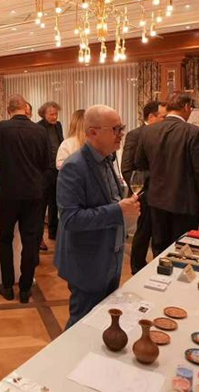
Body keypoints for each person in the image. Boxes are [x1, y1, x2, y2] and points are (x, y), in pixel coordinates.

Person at [57, 106, 139, 328]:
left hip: (110, 256)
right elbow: (71, 219)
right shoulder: (74, 167)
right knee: (81, 324)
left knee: (101, 321)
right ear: (93, 132)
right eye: (115, 129)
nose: (121, 134)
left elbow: (110, 200)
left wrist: (125, 210)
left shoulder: (107, 159)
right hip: (87, 261)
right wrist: (119, 210)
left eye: (121, 128)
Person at [0, 94, 50, 303]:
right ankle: (26, 289)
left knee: (5, 238)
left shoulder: (1, 128)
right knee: (30, 240)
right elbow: (47, 163)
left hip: (8, 193)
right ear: (26, 109)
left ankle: (8, 286)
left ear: (9, 110)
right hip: (33, 193)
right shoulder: (40, 130)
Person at [134, 92, 199, 254]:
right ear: (187, 107)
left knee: (159, 247)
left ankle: (159, 270)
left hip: (156, 200)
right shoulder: (193, 132)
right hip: (185, 201)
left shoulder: (147, 131)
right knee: (184, 249)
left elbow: (140, 164)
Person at [121, 100, 166, 274]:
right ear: (151, 116)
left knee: (160, 234)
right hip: (145, 193)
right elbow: (127, 169)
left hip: (164, 193)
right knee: (144, 231)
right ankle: (137, 268)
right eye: (163, 117)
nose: (166, 120)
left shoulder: (165, 133)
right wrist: (139, 191)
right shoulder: (135, 135)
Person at [37, 101, 63, 246]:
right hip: (44, 171)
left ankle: (53, 232)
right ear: (43, 114)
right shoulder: (38, 127)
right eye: (51, 114)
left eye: (56, 114)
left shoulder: (58, 125)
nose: (54, 117)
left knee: (55, 203)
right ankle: (39, 237)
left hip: (57, 170)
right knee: (41, 206)